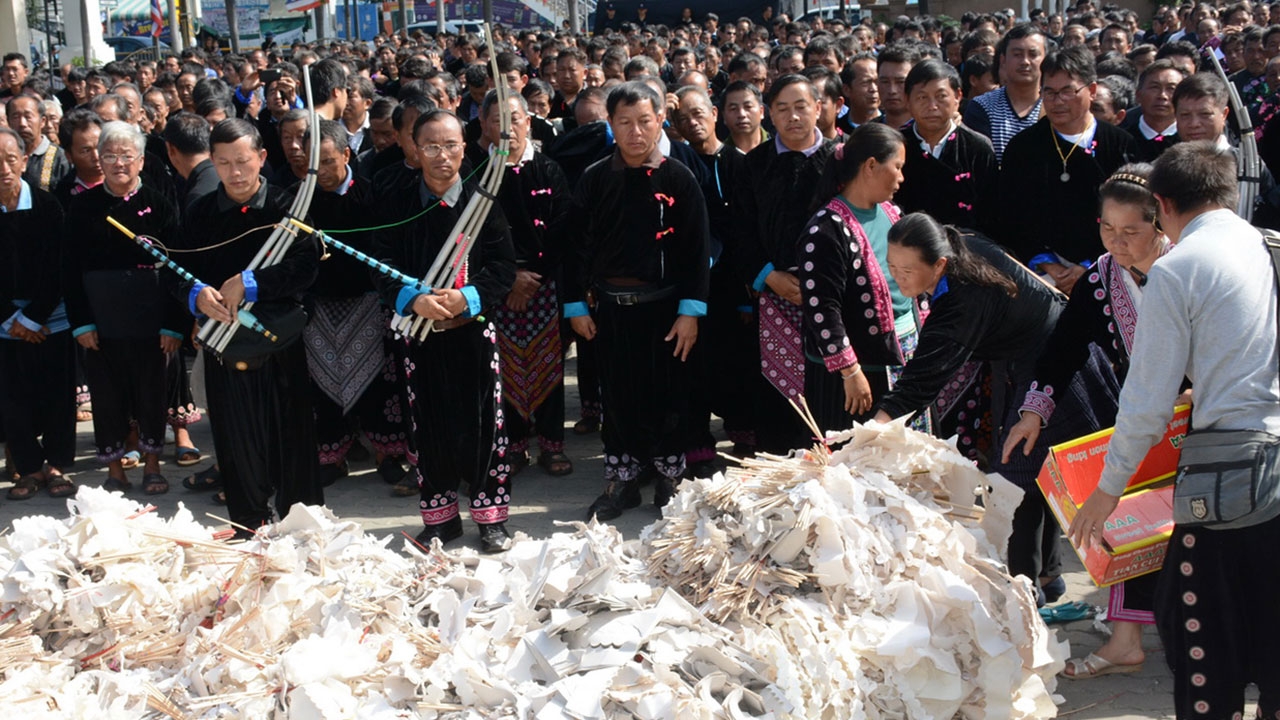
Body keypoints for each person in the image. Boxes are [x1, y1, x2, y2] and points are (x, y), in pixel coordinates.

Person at [1068, 141, 1280, 718]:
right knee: (1268, 617)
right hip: (1272, 453)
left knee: (1197, 629)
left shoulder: (1178, 266)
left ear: (1160, 205)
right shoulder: (1263, 245)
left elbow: (1147, 397)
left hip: (1230, 471)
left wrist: (1109, 488)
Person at [871, 213, 1119, 606]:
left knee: (1013, 481)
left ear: (938, 264)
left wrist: (876, 427)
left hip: (1055, 364)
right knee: (1033, 472)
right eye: (892, 268)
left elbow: (924, 373)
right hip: (1028, 356)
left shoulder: (962, 298)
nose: (898, 278)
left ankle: (1024, 591)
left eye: (907, 270)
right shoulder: (959, 242)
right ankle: (1047, 578)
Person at [1003, 164, 1172, 678]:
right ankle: (1127, 639)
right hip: (1142, 419)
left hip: (1206, 418)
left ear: (1162, 224)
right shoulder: (1100, 278)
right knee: (1127, 521)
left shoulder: (1188, 267)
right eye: (1106, 229)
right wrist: (1035, 409)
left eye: (1131, 232)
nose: (1117, 243)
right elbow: (1063, 350)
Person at [372, 109, 516, 553]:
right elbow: (382, 268)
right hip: (419, 335)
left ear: (464, 148)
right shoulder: (396, 202)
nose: (442, 156)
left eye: (451, 145)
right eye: (431, 146)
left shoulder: (482, 202)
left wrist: (467, 298)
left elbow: (502, 267)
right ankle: (440, 519)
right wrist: (412, 299)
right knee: (427, 424)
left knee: (483, 425)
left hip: (472, 333)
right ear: (413, 150)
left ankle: (490, 519)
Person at [564, 82, 709, 520]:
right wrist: (575, 305)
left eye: (644, 121)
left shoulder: (678, 177)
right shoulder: (594, 179)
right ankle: (622, 481)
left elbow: (696, 248)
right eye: (624, 123)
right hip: (611, 308)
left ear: (660, 119)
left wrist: (690, 311)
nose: (635, 132)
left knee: (668, 395)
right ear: (610, 125)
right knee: (620, 396)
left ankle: (669, 479)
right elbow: (575, 248)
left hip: (666, 308)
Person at [173, 118, 323, 537]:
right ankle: (247, 527)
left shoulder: (286, 207)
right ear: (213, 163)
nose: (235, 172)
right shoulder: (201, 211)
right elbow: (177, 270)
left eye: (243, 161)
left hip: (280, 342)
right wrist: (197, 295)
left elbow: (307, 266)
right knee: (237, 443)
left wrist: (251, 283)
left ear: (261, 157)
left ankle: (302, 530)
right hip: (226, 346)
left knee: (290, 438)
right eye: (223, 163)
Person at [64, 121, 185, 496]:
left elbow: (176, 270)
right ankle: (115, 469)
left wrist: (172, 325)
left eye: (126, 156)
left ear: (141, 160)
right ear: (99, 159)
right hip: (101, 318)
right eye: (110, 156)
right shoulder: (83, 207)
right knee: (107, 394)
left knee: (151, 392)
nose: (118, 164)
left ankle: (152, 465)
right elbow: (69, 269)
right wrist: (81, 322)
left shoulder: (160, 205)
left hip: (150, 317)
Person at [299, 119, 409, 488]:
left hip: (367, 302)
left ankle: (388, 453)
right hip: (320, 307)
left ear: (346, 154)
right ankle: (332, 455)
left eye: (329, 161)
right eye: (314, 165)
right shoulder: (299, 200)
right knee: (323, 385)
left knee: (380, 384)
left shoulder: (372, 193)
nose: (322, 173)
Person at [732, 74, 836, 453]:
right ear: (769, 115)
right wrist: (767, 276)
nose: (793, 117)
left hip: (832, 295)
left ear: (818, 108)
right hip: (776, 293)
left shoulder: (841, 160)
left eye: (801, 107)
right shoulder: (752, 165)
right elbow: (740, 230)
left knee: (831, 385)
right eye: (782, 109)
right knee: (779, 387)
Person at [798, 124, 919, 436]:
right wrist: (850, 371)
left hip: (903, 354)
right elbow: (822, 308)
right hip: (856, 373)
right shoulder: (825, 230)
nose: (902, 178)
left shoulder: (892, 213)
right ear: (870, 166)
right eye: (898, 167)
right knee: (854, 466)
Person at [480, 92, 574, 478]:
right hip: (498, 289)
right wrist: (509, 280)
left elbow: (562, 231)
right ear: (484, 126)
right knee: (502, 370)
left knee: (548, 367)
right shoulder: (475, 173)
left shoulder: (550, 170)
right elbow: (474, 240)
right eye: (498, 121)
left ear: (529, 122)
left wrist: (533, 279)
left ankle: (552, 445)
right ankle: (514, 446)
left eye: (515, 119)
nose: (508, 129)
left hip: (544, 286)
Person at [999, 45, 1136, 294]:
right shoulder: (1023, 147)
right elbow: (1009, 215)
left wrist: (1090, 264)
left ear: (1091, 90)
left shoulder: (1120, 145)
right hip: (1041, 275)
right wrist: (1043, 261)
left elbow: (1134, 215)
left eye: (1067, 91)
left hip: (1110, 266)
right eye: (1049, 93)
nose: (1057, 101)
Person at [0, 126, 76, 500]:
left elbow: (58, 268)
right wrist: (10, 321)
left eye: (10, 159)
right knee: (11, 397)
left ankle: (58, 464)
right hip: (4, 324)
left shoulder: (48, 206)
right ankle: (28, 468)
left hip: (50, 318)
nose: (3, 168)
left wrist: (32, 319)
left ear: (24, 160)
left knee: (57, 394)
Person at [895, 59, 999, 236]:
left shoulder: (978, 148)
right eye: (922, 97)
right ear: (907, 100)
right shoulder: (895, 145)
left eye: (941, 96)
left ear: (958, 97)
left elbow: (991, 215)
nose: (932, 106)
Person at [963, 23, 1046, 162]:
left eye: (1033, 54)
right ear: (1003, 60)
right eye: (1017, 54)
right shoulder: (982, 107)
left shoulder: (1056, 106)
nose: (1025, 61)